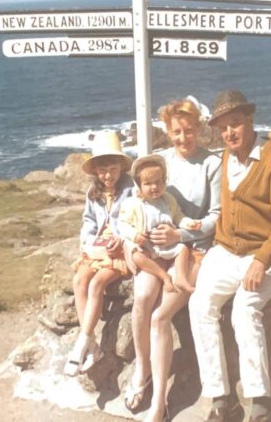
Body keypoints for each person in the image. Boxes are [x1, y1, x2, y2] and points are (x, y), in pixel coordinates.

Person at [189, 90, 271, 422]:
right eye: (224, 128)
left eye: (235, 124)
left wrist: (262, 260)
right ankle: (220, 397)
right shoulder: (224, 158)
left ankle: (260, 402)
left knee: (243, 310)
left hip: (267, 253)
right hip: (225, 251)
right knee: (200, 305)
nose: (230, 133)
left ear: (249, 120)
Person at [124, 99, 222, 422]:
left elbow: (216, 217)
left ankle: (159, 403)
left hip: (192, 250)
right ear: (167, 132)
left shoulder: (212, 164)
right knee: (142, 295)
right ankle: (143, 369)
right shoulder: (159, 162)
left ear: (200, 129)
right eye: (177, 132)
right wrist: (129, 241)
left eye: (189, 130)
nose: (183, 137)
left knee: (160, 317)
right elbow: (132, 200)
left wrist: (180, 236)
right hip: (155, 252)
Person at [64, 131, 133, 377]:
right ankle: (92, 343)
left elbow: (135, 221)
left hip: (119, 250)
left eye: (112, 169)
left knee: (96, 285)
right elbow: (88, 223)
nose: (107, 176)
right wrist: (89, 242)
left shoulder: (131, 189)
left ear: (121, 168)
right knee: (79, 280)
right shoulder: (93, 193)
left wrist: (121, 240)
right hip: (98, 248)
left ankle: (82, 342)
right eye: (102, 171)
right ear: (95, 171)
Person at [118, 154, 201, 294]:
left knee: (183, 249)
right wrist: (135, 235)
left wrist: (189, 223)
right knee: (137, 257)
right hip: (147, 246)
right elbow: (122, 224)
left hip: (168, 244)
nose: (154, 187)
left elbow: (177, 216)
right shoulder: (132, 203)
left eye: (158, 182)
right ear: (139, 185)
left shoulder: (168, 200)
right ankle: (164, 276)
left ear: (164, 181)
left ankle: (181, 278)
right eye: (148, 184)